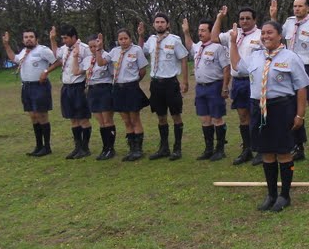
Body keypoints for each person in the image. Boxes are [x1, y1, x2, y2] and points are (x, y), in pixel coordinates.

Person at [229, 20, 309, 212]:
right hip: (258, 108)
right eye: (263, 33)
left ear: (279, 35)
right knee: (266, 152)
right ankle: (271, 194)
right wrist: (233, 42)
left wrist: (300, 115)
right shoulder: (256, 56)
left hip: (281, 108)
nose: (265, 36)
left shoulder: (291, 57)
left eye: (270, 33)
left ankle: (285, 195)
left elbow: (301, 87)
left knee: (283, 152)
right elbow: (237, 65)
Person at [272, 0, 309, 162]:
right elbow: (278, 37)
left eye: (300, 6)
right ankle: (298, 146)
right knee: (294, 109)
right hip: (290, 68)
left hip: (307, 68)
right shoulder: (289, 23)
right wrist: (273, 17)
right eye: (295, 6)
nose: (297, 9)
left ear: (308, 8)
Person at [212, 5, 264, 165]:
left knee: (258, 116)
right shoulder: (233, 33)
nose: (244, 21)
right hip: (239, 81)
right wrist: (219, 18)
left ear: (254, 20)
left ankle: (261, 150)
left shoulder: (261, 34)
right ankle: (247, 149)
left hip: (255, 80)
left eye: (248, 18)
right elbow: (213, 38)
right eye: (242, 18)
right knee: (243, 116)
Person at [138, 13, 189, 160]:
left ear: (167, 24)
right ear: (154, 24)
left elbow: (183, 59)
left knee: (176, 115)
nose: (159, 24)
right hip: (156, 84)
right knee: (161, 116)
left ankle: (177, 149)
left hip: (170, 83)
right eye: (157, 22)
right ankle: (164, 148)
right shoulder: (151, 40)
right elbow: (141, 51)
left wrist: (185, 81)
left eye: (162, 22)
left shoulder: (174, 40)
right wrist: (140, 36)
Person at [2, 28, 56, 156]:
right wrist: (6, 45)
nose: (28, 39)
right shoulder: (24, 51)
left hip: (39, 86)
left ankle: (47, 147)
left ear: (36, 39)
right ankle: (39, 145)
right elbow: (14, 58)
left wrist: (46, 72)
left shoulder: (42, 50)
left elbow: (57, 61)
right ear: (23, 40)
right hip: (27, 87)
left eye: (31, 37)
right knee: (33, 116)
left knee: (42, 115)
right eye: (26, 37)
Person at [184, 17, 231, 161]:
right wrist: (186, 32)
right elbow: (190, 46)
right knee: (205, 119)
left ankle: (220, 149)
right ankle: (208, 149)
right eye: (199, 30)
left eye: (203, 30)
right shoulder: (199, 46)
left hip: (214, 86)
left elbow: (226, 68)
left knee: (217, 118)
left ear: (211, 32)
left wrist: (225, 87)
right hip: (200, 88)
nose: (200, 33)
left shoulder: (218, 48)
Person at [99, 29, 148, 161]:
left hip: (131, 87)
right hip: (118, 88)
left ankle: (138, 149)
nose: (123, 41)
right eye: (121, 39)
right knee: (126, 120)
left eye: (126, 38)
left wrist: (134, 82)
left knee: (134, 119)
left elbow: (142, 70)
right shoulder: (114, 51)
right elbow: (101, 63)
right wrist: (99, 49)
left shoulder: (136, 50)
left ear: (130, 39)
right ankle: (131, 148)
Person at [49, 25, 93, 159]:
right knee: (72, 118)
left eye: (66, 38)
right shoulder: (64, 49)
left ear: (74, 37)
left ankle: (85, 148)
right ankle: (77, 147)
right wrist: (52, 39)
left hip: (79, 86)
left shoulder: (84, 49)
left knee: (82, 118)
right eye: (62, 38)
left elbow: (88, 67)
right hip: (67, 86)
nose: (64, 41)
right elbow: (56, 54)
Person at [75, 34, 117, 160]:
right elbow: (76, 71)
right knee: (101, 121)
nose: (93, 48)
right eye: (91, 47)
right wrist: (75, 57)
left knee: (107, 120)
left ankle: (111, 148)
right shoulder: (87, 59)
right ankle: (105, 147)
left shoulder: (107, 56)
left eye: (95, 46)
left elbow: (113, 74)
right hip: (92, 90)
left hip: (105, 89)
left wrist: (99, 50)